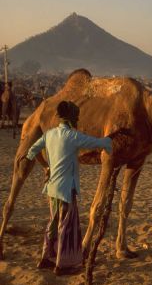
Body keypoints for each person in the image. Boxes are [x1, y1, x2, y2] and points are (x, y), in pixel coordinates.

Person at [26, 100, 112, 275]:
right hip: (66, 189)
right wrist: (110, 140)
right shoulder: (73, 136)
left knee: (53, 222)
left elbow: (31, 151)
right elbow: (98, 143)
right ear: (72, 118)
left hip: (51, 189)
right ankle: (63, 265)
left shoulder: (49, 135)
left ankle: (46, 258)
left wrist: (46, 166)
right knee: (66, 225)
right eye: (77, 117)